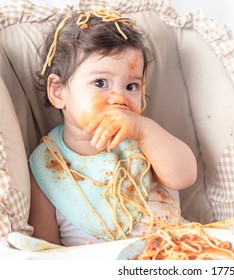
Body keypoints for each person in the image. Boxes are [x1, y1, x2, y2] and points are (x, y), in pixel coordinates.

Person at [28, 9, 197, 246]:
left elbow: (184, 177)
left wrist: (143, 130)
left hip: (174, 252)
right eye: (100, 83)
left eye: (131, 86)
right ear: (58, 91)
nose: (119, 97)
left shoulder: (145, 138)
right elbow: (45, 249)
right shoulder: (45, 166)